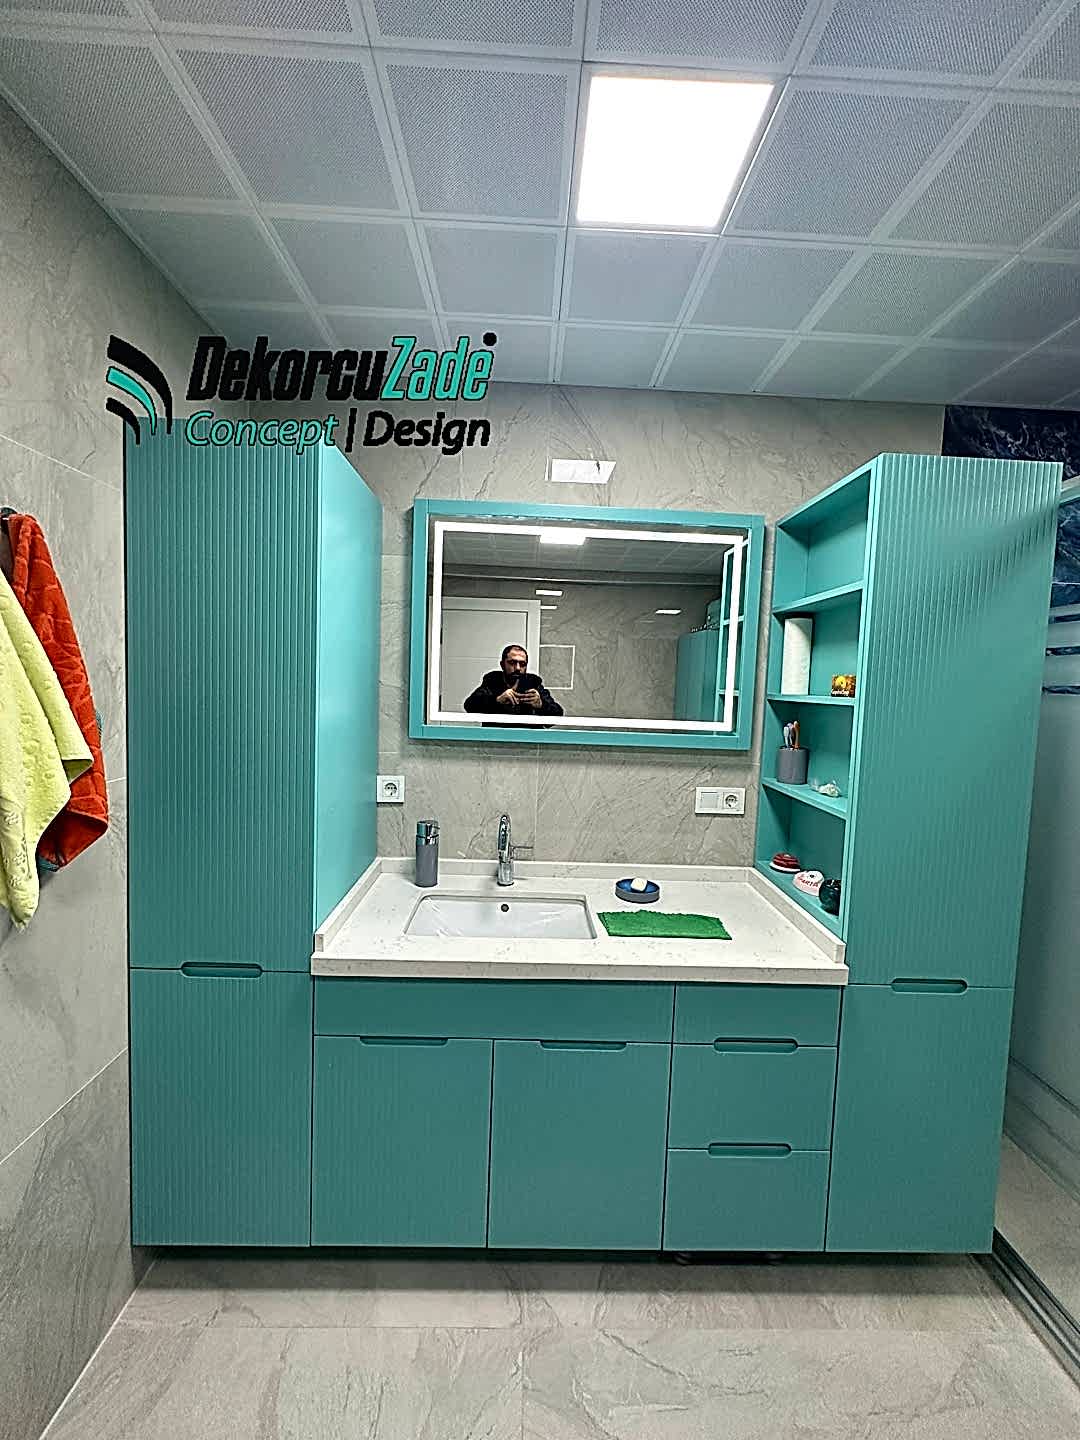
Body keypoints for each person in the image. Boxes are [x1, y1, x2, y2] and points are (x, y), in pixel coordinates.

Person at [462, 644, 564, 718]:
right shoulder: (492, 680)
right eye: (512, 663)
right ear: (502, 665)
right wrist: (497, 700)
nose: (518, 668)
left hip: (527, 736)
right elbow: (469, 706)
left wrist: (541, 705)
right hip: (497, 735)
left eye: (522, 664)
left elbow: (558, 714)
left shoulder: (533, 682)